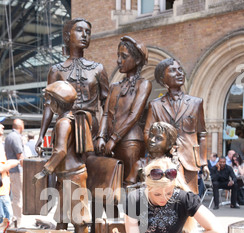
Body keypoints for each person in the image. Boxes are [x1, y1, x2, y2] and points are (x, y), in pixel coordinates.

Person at [33, 80, 91, 233]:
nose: (48, 105)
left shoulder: (63, 123)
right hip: (68, 173)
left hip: (72, 174)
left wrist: (45, 170)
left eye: (50, 101)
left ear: (57, 102)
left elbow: (60, 151)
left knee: (78, 213)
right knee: (62, 213)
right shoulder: (70, 119)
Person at [35, 18, 109, 153]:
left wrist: (102, 135)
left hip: (90, 126)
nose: (84, 35)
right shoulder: (56, 70)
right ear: (67, 36)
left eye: (88, 32)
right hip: (64, 126)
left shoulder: (98, 68)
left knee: (91, 167)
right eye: (79, 30)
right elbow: (49, 105)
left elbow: (107, 106)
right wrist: (41, 134)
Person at [144, 58, 208, 194]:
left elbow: (201, 134)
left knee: (190, 198)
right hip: (163, 161)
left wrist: (204, 163)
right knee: (165, 197)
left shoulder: (196, 103)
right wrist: (157, 151)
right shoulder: (155, 105)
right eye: (172, 70)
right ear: (162, 79)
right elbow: (147, 133)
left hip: (190, 160)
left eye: (180, 70)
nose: (179, 73)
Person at [96, 36, 151, 181]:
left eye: (124, 56)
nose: (118, 60)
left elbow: (134, 115)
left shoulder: (143, 84)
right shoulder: (114, 86)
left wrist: (114, 139)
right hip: (110, 143)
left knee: (130, 184)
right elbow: (106, 114)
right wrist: (101, 136)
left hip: (130, 142)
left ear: (137, 60)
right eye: (118, 56)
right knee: (111, 184)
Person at [4, 119, 25, 226]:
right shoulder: (16, 137)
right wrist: (26, 169)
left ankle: (13, 219)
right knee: (18, 197)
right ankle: (18, 222)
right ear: (21, 126)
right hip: (16, 171)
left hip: (10, 170)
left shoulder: (8, 136)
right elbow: (20, 156)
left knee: (13, 196)